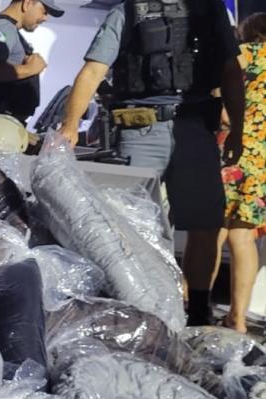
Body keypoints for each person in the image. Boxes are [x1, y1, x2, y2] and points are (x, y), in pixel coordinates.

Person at [59, 0, 246, 326]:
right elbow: (93, 70)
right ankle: (133, 309)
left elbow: (232, 70)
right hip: (139, 128)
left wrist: (238, 130)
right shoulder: (128, 11)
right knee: (128, 223)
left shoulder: (211, 10)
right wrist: (69, 126)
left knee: (205, 226)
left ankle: (198, 316)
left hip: (195, 128)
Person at [218, 13, 266, 332]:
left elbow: (218, 102)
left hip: (232, 152)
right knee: (242, 234)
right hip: (263, 161)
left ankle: (188, 301)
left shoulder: (242, 56)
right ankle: (238, 318)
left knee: (212, 229)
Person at [0, 0, 65, 123]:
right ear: (27, 3)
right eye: (44, 12)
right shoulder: (3, 27)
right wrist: (31, 68)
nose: (45, 18)